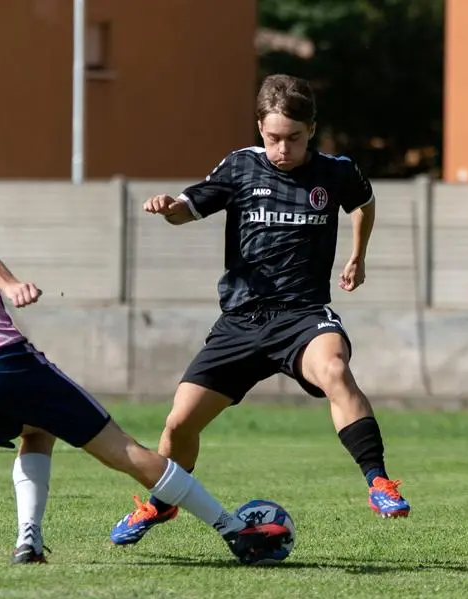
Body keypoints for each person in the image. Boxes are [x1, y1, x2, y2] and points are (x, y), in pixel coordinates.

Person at [0, 119, 291, 565]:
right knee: (124, 450)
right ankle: (236, 530)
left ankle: (28, 541)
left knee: (38, 427)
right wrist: (8, 284)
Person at [109, 74, 411, 547]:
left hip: (302, 316)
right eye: (272, 138)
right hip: (241, 321)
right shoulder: (240, 167)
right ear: (259, 128)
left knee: (334, 369)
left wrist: (359, 255)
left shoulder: (336, 172)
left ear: (311, 130)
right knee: (179, 422)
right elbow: (189, 206)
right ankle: (161, 503)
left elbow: (365, 204)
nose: (282, 148)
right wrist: (169, 208)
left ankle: (379, 482)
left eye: (293, 138)